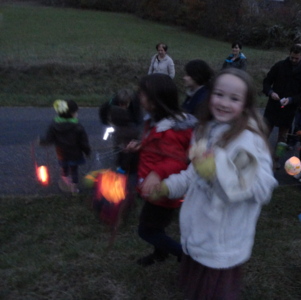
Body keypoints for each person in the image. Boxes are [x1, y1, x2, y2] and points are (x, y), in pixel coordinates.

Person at [149, 68, 278, 300]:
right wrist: (168, 187)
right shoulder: (206, 130)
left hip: (221, 242)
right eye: (219, 94)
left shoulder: (246, 142)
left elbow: (260, 189)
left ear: (246, 104)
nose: (224, 103)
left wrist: (216, 173)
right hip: (200, 234)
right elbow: (193, 174)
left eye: (234, 98)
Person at [126, 73, 196, 267]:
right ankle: (160, 253)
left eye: (143, 94)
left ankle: (185, 256)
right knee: (156, 227)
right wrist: (142, 146)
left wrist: (156, 174)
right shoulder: (157, 121)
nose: (139, 96)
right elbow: (159, 148)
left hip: (163, 191)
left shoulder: (171, 130)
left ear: (156, 101)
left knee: (146, 231)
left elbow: (177, 161)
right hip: (151, 186)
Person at [262, 44, 301, 169]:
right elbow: (267, 82)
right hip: (273, 106)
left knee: (282, 138)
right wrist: (270, 92)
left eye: (297, 58)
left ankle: (276, 160)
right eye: (292, 58)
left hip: (289, 109)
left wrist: (291, 100)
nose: (294, 60)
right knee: (263, 133)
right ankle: (258, 155)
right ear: (289, 54)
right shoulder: (279, 66)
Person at [40, 99, 91, 194]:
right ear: (71, 113)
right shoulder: (78, 127)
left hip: (61, 153)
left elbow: (49, 139)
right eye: (76, 112)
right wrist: (87, 151)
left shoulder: (54, 125)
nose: (77, 114)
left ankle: (65, 179)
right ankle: (74, 189)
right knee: (74, 170)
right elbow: (83, 142)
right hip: (75, 154)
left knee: (64, 166)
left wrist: (42, 141)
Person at [99, 89, 143, 174]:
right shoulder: (110, 105)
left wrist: (135, 128)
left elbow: (138, 118)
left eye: (126, 104)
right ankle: (121, 164)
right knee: (120, 146)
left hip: (130, 127)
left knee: (131, 146)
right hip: (119, 128)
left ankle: (131, 164)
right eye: (121, 104)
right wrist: (108, 123)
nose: (124, 107)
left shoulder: (134, 104)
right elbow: (103, 113)